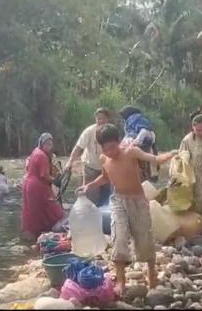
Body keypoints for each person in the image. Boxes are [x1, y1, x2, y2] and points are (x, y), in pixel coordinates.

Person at [80, 124, 177, 294]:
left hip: (138, 202)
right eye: (106, 149)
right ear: (101, 148)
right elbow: (105, 177)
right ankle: (121, 280)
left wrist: (171, 155)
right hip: (118, 201)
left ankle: (152, 274)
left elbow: (154, 159)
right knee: (118, 237)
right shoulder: (104, 159)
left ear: (119, 142)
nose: (111, 152)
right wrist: (91, 184)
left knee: (144, 239)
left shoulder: (130, 152)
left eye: (113, 147)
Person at [21, 133, 65, 241]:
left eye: (50, 144)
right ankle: (53, 231)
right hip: (37, 186)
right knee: (52, 209)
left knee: (33, 211)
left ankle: (34, 234)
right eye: (47, 144)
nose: (49, 146)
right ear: (41, 143)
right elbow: (44, 175)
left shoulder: (35, 152)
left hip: (28, 184)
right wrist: (55, 181)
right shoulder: (42, 156)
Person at [64, 108, 111, 204]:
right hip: (90, 168)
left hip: (106, 168)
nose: (100, 121)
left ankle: (103, 215)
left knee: (106, 195)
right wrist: (70, 162)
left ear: (107, 119)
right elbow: (78, 147)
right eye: (98, 119)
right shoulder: (89, 131)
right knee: (89, 195)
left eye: (103, 119)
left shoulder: (111, 131)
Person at [119, 105, 158, 182]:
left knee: (146, 171)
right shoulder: (129, 125)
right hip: (140, 147)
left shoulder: (137, 120)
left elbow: (144, 131)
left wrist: (136, 141)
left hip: (143, 143)